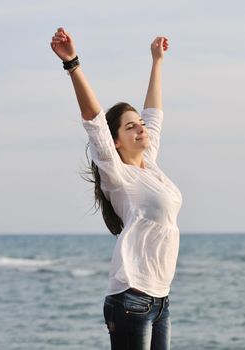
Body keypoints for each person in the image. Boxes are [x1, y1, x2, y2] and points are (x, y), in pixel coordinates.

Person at [50, 27, 182, 350]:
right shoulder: (117, 174)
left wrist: (157, 62)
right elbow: (94, 120)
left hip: (160, 300)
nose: (141, 128)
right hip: (131, 298)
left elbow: (154, 115)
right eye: (130, 126)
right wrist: (73, 64)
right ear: (117, 142)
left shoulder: (149, 165)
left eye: (139, 124)